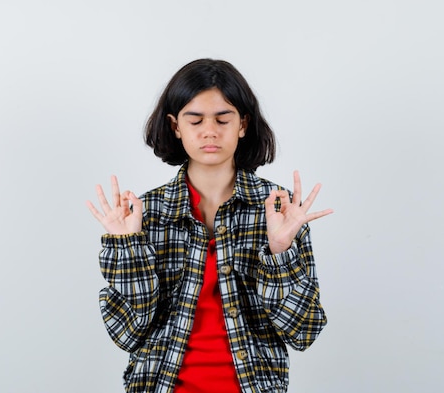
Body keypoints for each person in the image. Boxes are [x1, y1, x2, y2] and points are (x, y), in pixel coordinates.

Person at [87, 58, 333, 393]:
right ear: (176, 126)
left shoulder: (279, 209)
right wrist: (127, 245)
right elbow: (127, 333)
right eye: (195, 120)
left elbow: (303, 332)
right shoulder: (145, 213)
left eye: (222, 119)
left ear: (243, 124)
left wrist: (279, 251)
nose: (210, 131)